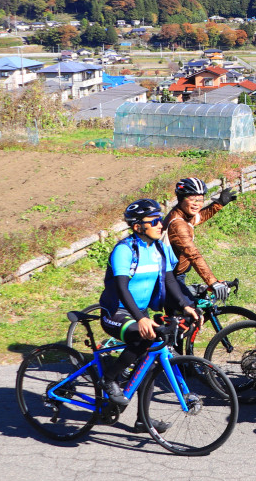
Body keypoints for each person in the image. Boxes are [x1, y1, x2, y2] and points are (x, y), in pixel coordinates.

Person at [98, 199, 198, 430]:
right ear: (137, 227)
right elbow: (122, 287)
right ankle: (109, 378)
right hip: (116, 312)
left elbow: (171, 280)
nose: (160, 225)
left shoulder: (160, 248)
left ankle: (142, 419)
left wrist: (185, 305)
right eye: (154, 221)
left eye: (160, 219)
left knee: (150, 363)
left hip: (139, 312)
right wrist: (141, 318)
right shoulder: (124, 250)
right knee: (146, 337)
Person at [165, 177, 237, 302]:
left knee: (181, 315)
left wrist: (219, 203)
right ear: (181, 199)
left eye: (200, 200)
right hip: (168, 277)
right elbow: (193, 255)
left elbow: (199, 216)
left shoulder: (184, 215)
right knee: (190, 311)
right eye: (192, 199)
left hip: (176, 274)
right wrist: (212, 282)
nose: (197, 204)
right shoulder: (178, 225)